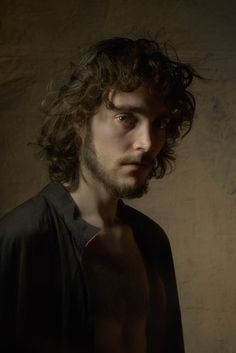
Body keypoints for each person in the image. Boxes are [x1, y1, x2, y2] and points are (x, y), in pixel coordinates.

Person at [0, 37, 198, 353]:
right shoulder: (22, 238)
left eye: (159, 123)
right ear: (80, 121)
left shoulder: (152, 240)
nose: (146, 142)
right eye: (126, 119)